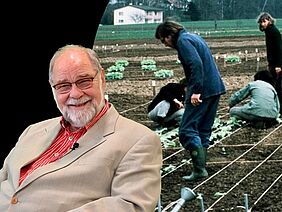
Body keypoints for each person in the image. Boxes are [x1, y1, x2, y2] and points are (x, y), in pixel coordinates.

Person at [0, 45, 163, 212]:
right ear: (52, 88)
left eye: (84, 81)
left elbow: (130, 206)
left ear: (102, 79)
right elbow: (4, 178)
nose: (75, 94)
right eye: (63, 85)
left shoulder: (138, 141)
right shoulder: (33, 130)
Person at [155, 21, 226, 181]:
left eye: (163, 39)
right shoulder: (193, 37)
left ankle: (199, 169)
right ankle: (201, 168)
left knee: (187, 130)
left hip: (203, 91)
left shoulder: (183, 41)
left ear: (170, 35)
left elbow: (196, 65)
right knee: (203, 128)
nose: (164, 44)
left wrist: (195, 92)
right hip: (214, 88)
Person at [257, 12, 282, 114]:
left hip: (277, 64)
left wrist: (278, 65)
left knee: (279, 86)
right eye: (261, 22)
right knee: (275, 85)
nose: (263, 24)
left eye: (264, 21)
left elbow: (279, 49)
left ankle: (279, 108)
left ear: (269, 20)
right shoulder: (268, 31)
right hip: (273, 63)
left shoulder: (273, 32)